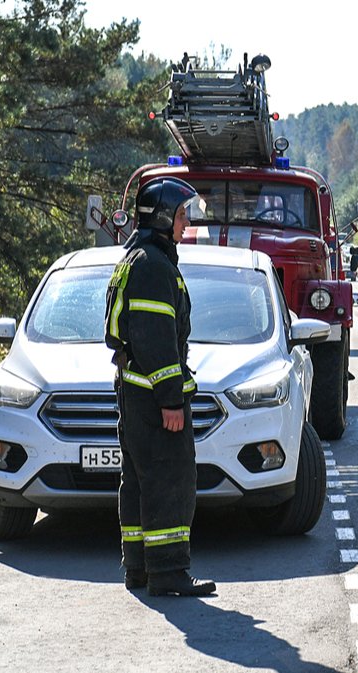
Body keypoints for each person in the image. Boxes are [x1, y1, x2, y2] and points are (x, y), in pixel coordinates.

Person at [104, 176, 216, 596]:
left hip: (134, 395)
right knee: (170, 482)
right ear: (166, 216)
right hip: (154, 400)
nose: (186, 224)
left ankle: (139, 568)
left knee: (137, 482)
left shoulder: (138, 259)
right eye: (183, 215)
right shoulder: (152, 266)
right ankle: (168, 573)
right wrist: (172, 400)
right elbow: (156, 342)